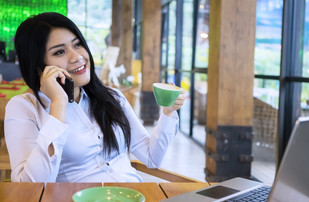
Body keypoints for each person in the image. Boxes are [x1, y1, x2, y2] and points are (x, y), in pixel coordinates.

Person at [5, 12, 185, 183]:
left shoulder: (112, 97)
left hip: (131, 201)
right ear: (38, 67)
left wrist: (169, 112)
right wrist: (58, 104)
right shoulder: (23, 107)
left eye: (77, 44)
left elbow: (152, 158)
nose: (77, 57)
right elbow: (30, 186)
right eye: (60, 52)